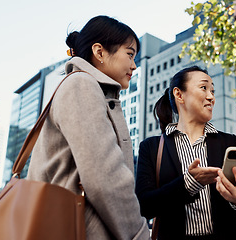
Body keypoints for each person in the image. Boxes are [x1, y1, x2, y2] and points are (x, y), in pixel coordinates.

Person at [27, 15, 150, 240]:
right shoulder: (81, 85)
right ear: (100, 52)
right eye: (130, 54)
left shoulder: (86, 88)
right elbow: (105, 175)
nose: (134, 65)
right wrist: (139, 234)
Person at [135, 66, 236, 240]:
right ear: (179, 94)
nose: (211, 97)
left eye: (213, 91)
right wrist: (189, 183)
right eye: (204, 88)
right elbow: (144, 206)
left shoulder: (230, 143)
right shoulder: (151, 147)